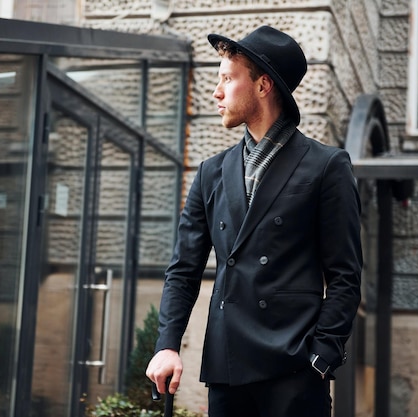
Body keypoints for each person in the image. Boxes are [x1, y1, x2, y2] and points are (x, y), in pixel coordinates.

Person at [145, 25, 362, 417]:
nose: (216, 92)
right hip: (228, 369)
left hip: (295, 369)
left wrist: (321, 357)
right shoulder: (212, 172)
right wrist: (167, 344)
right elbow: (183, 269)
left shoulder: (327, 166)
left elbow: (345, 275)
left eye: (227, 79)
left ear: (263, 85)